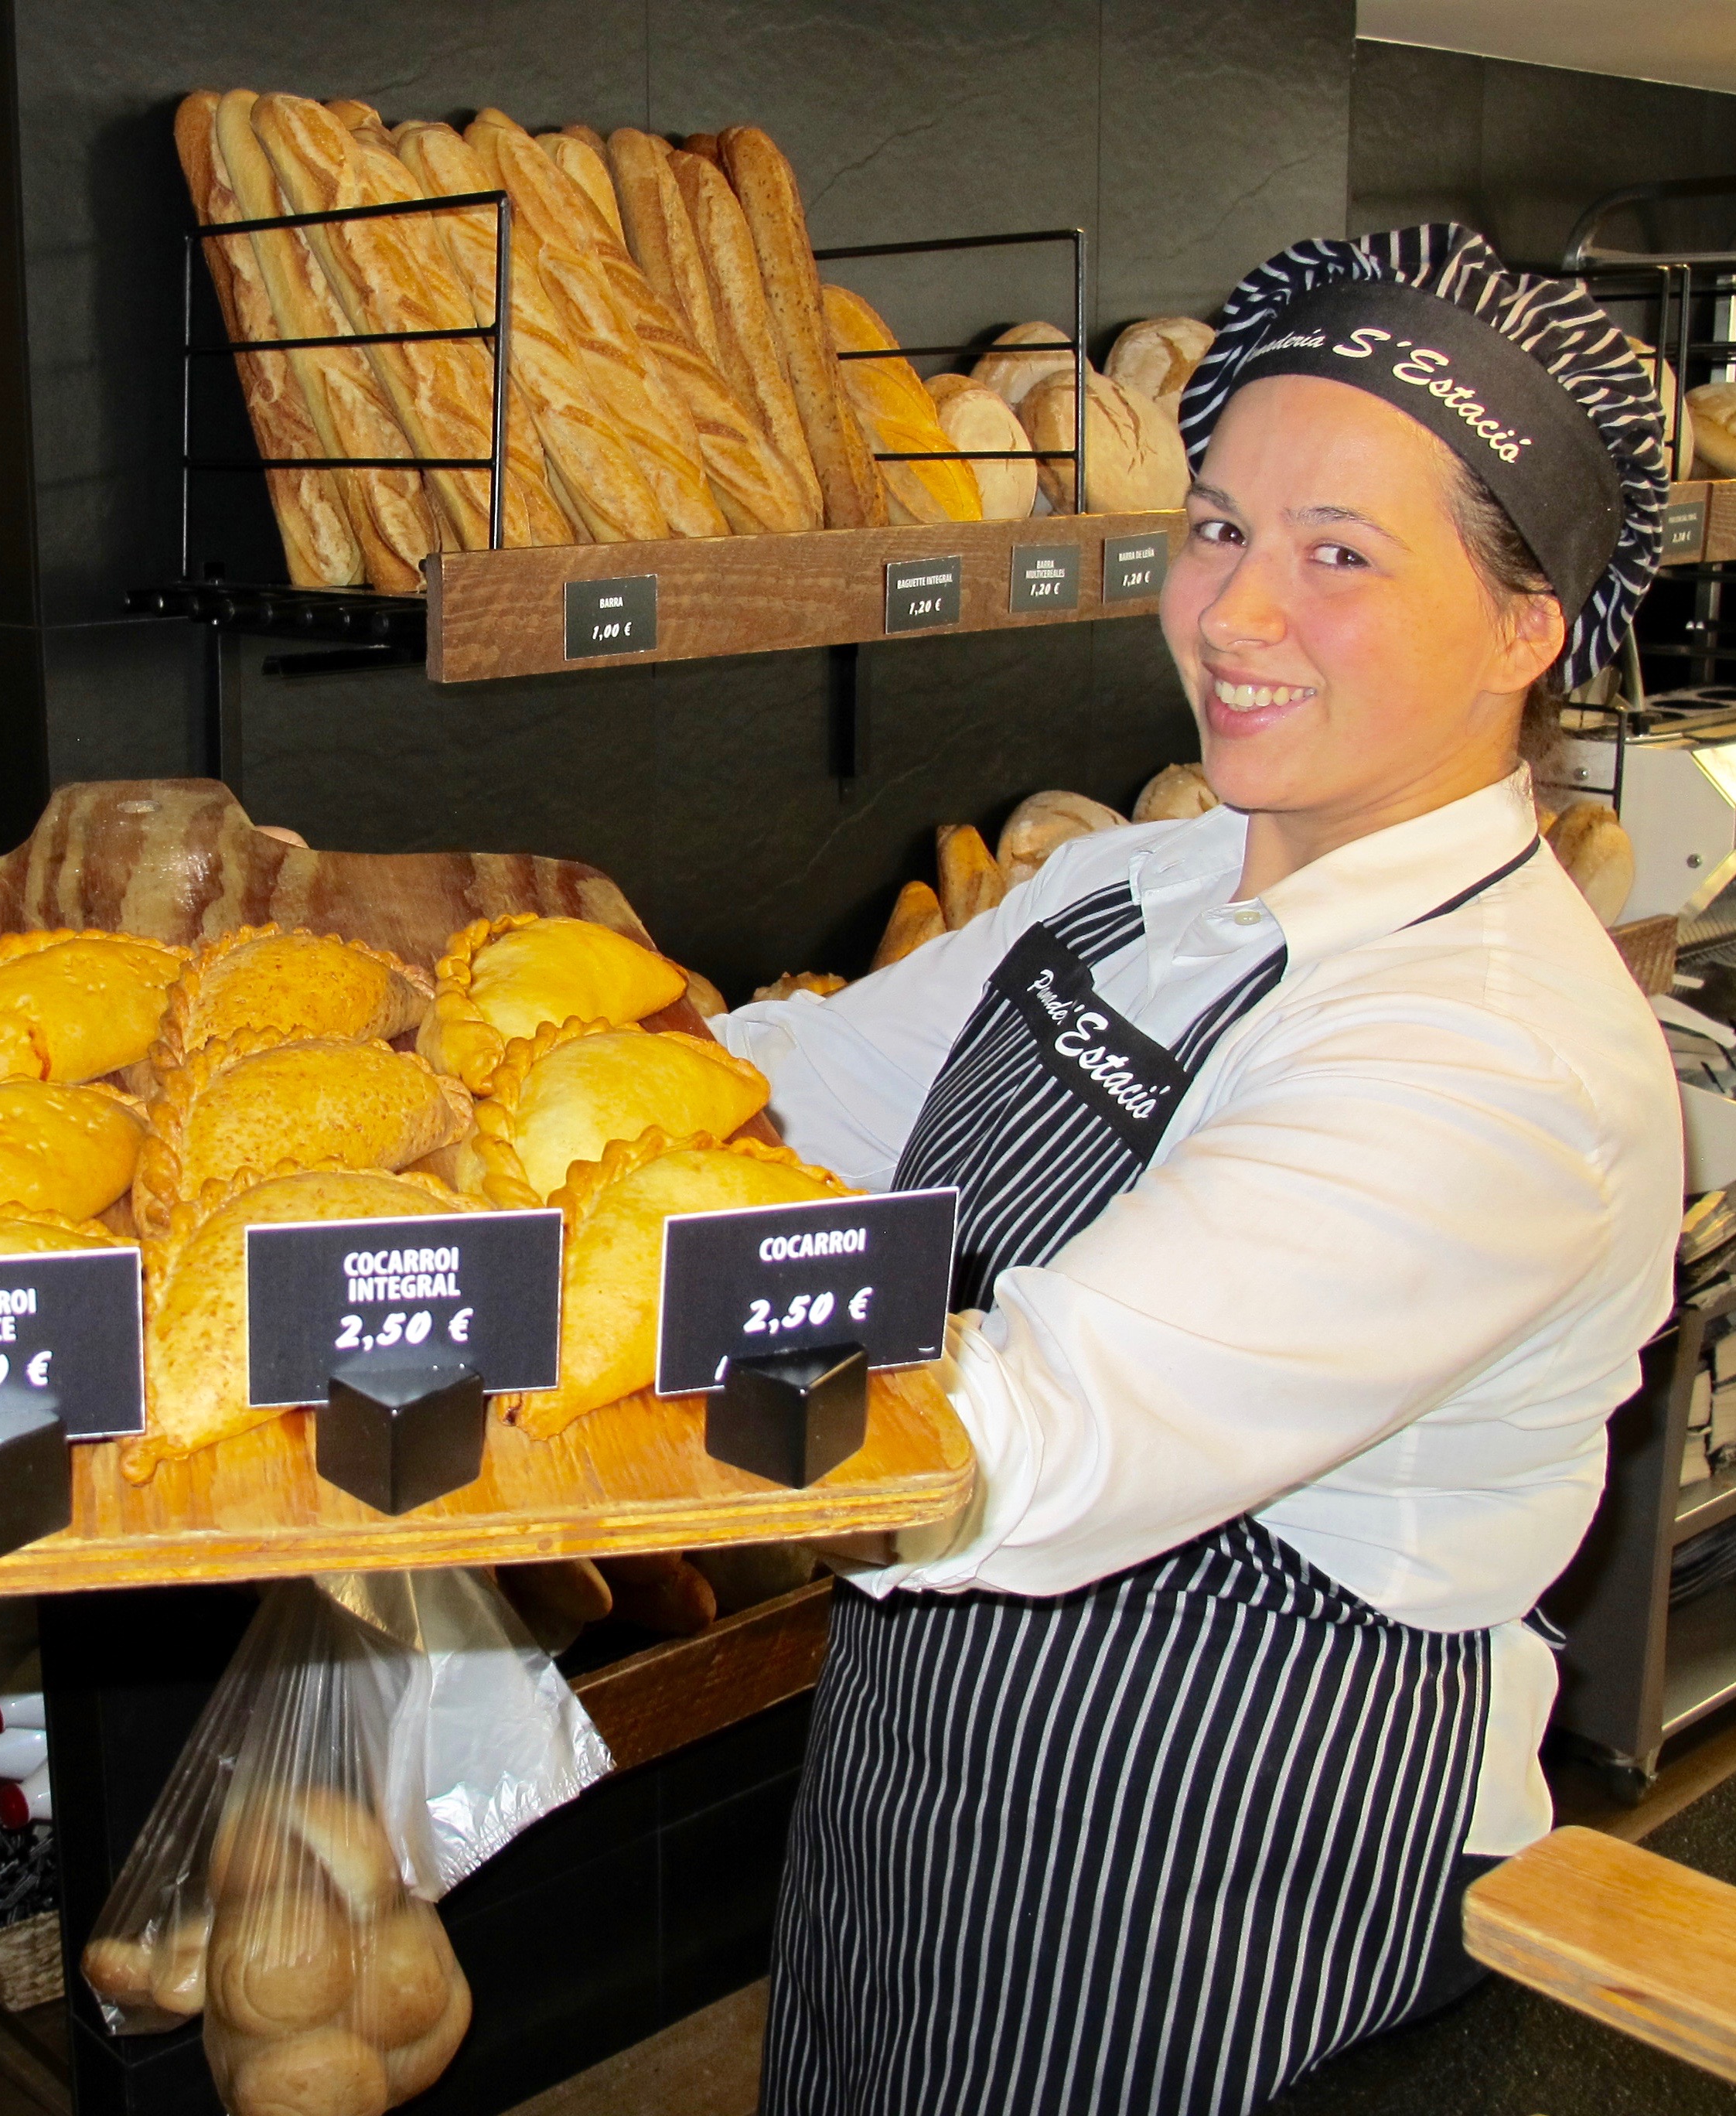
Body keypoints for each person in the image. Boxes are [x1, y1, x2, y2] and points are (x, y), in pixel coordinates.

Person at [716, 225, 1683, 2116]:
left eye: (1340, 554)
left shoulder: (1494, 1060)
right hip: (930, 1780)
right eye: (1221, 527)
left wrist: (534, 1417)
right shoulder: (1133, 885)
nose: (1234, 613)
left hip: (1233, 1859)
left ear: (1526, 627)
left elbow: (1036, 1436)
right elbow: (797, 1100)